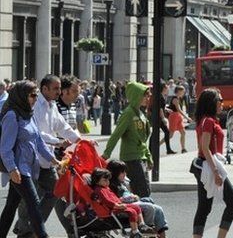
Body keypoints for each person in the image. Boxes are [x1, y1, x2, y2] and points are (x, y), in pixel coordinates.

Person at [14, 75, 83, 238]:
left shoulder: (52, 106)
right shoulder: (36, 105)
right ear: (44, 89)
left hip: (47, 159)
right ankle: (26, 229)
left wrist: (79, 140)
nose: (59, 92)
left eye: (59, 88)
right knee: (29, 198)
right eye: (56, 88)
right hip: (32, 160)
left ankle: (35, 226)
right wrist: (57, 141)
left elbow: (62, 126)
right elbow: (36, 133)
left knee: (56, 191)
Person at [0, 81, 60, 238]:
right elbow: (5, 148)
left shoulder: (28, 114)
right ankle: (42, 235)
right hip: (19, 170)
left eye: (36, 95)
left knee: (11, 206)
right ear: (21, 96)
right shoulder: (12, 116)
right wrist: (12, 169)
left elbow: (39, 141)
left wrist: (53, 159)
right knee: (33, 204)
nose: (35, 98)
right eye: (32, 95)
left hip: (29, 167)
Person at [191, 88, 233, 238]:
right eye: (220, 100)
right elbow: (204, 147)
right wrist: (216, 172)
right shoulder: (209, 121)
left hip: (205, 164)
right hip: (208, 165)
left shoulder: (207, 120)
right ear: (212, 103)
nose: (222, 103)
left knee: (204, 208)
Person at [103, 81, 154, 198]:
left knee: (145, 191)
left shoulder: (141, 113)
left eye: (148, 95)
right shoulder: (128, 113)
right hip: (132, 158)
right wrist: (106, 154)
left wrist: (149, 156)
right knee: (143, 192)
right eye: (145, 95)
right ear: (137, 96)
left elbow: (143, 140)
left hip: (141, 157)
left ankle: (142, 214)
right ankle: (142, 214)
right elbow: (116, 134)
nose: (148, 98)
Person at [107, 160, 169, 237]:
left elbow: (128, 193)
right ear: (115, 173)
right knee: (152, 208)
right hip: (125, 205)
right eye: (122, 172)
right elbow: (117, 200)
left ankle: (158, 231)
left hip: (131, 202)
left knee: (150, 202)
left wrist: (134, 196)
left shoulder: (121, 182)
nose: (125, 174)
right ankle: (146, 229)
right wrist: (131, 198)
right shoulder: (111, 185)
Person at [89, 168, 147, 238]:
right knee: (132, 212)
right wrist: (117, 205)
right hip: (113, 209)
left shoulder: (105, 188)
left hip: (118, 205)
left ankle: (142, 224)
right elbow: (107, 201)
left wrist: (120, 202)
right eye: (105, 180)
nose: (107, 182)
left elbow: (113, 197)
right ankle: (135, 231)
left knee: (137, 207)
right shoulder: (99, 190)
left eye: (108, 180)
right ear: (97, 181)